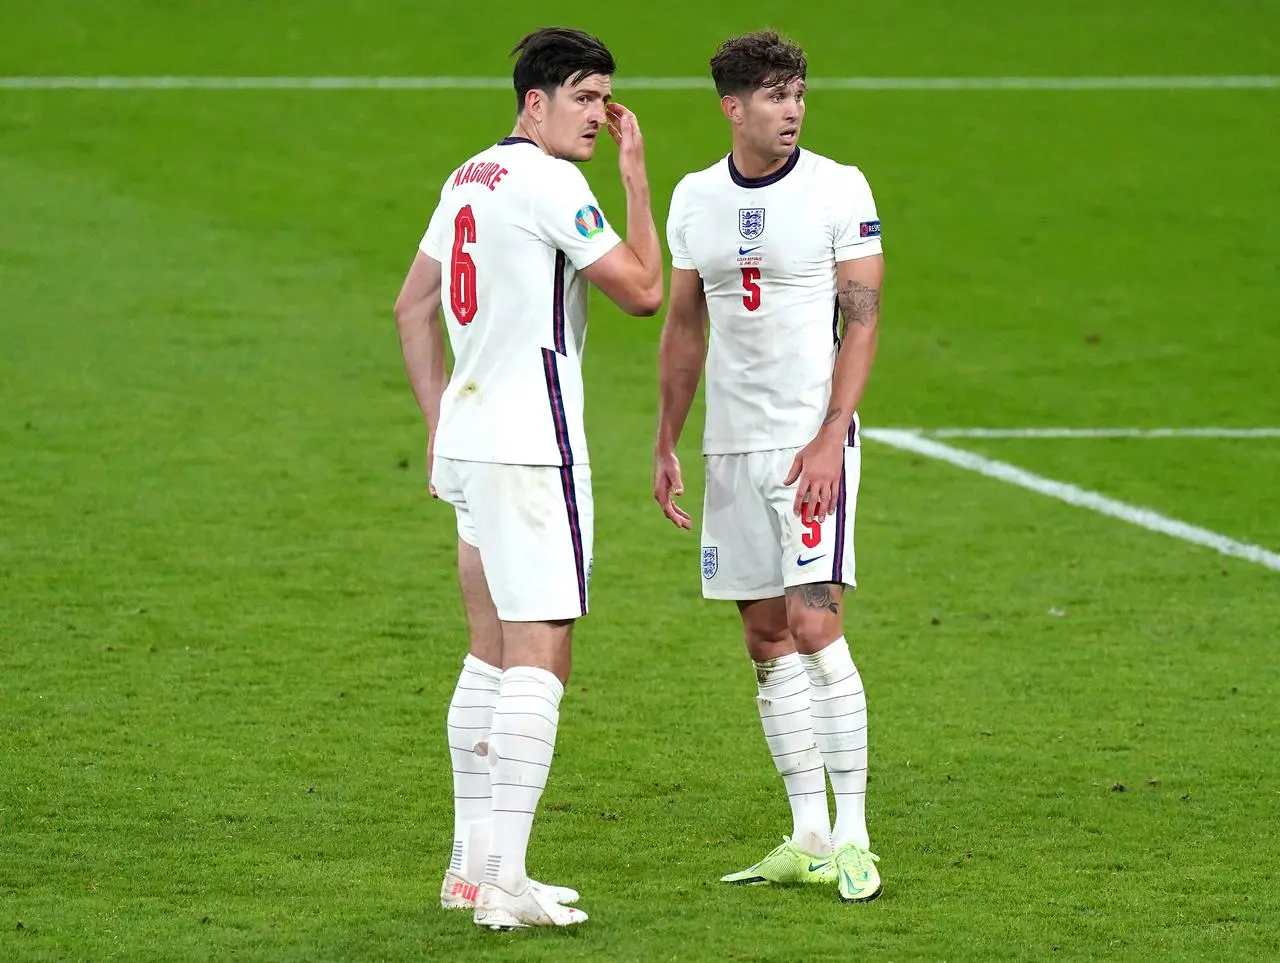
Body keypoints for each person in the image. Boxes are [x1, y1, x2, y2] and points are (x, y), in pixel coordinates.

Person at [393, 26, 662, 930]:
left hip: (472, 444)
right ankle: (505, 878)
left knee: (488, 650)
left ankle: (470, 869)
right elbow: (642, 290)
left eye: (606, 98)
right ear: (533, 102)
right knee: (542, 651)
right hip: (532, 446)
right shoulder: (553, 182)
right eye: (584, 98)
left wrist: (439, 430)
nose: (601, 114)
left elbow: (412, 306)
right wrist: (634, 178)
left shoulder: (467, 175)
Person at [653, 29, 885, 903]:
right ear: (733, 106)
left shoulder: (838, 188)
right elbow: (684, 325)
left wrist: (833, 430)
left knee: (817, 628)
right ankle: (808, 833)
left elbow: (862, 315)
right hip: (729, 448)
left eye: (799, 94)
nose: (792, 109)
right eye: (776, 95)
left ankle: (857, 835)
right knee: (764, 638)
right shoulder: (694, 198)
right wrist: (667, 438)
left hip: (808, 446)